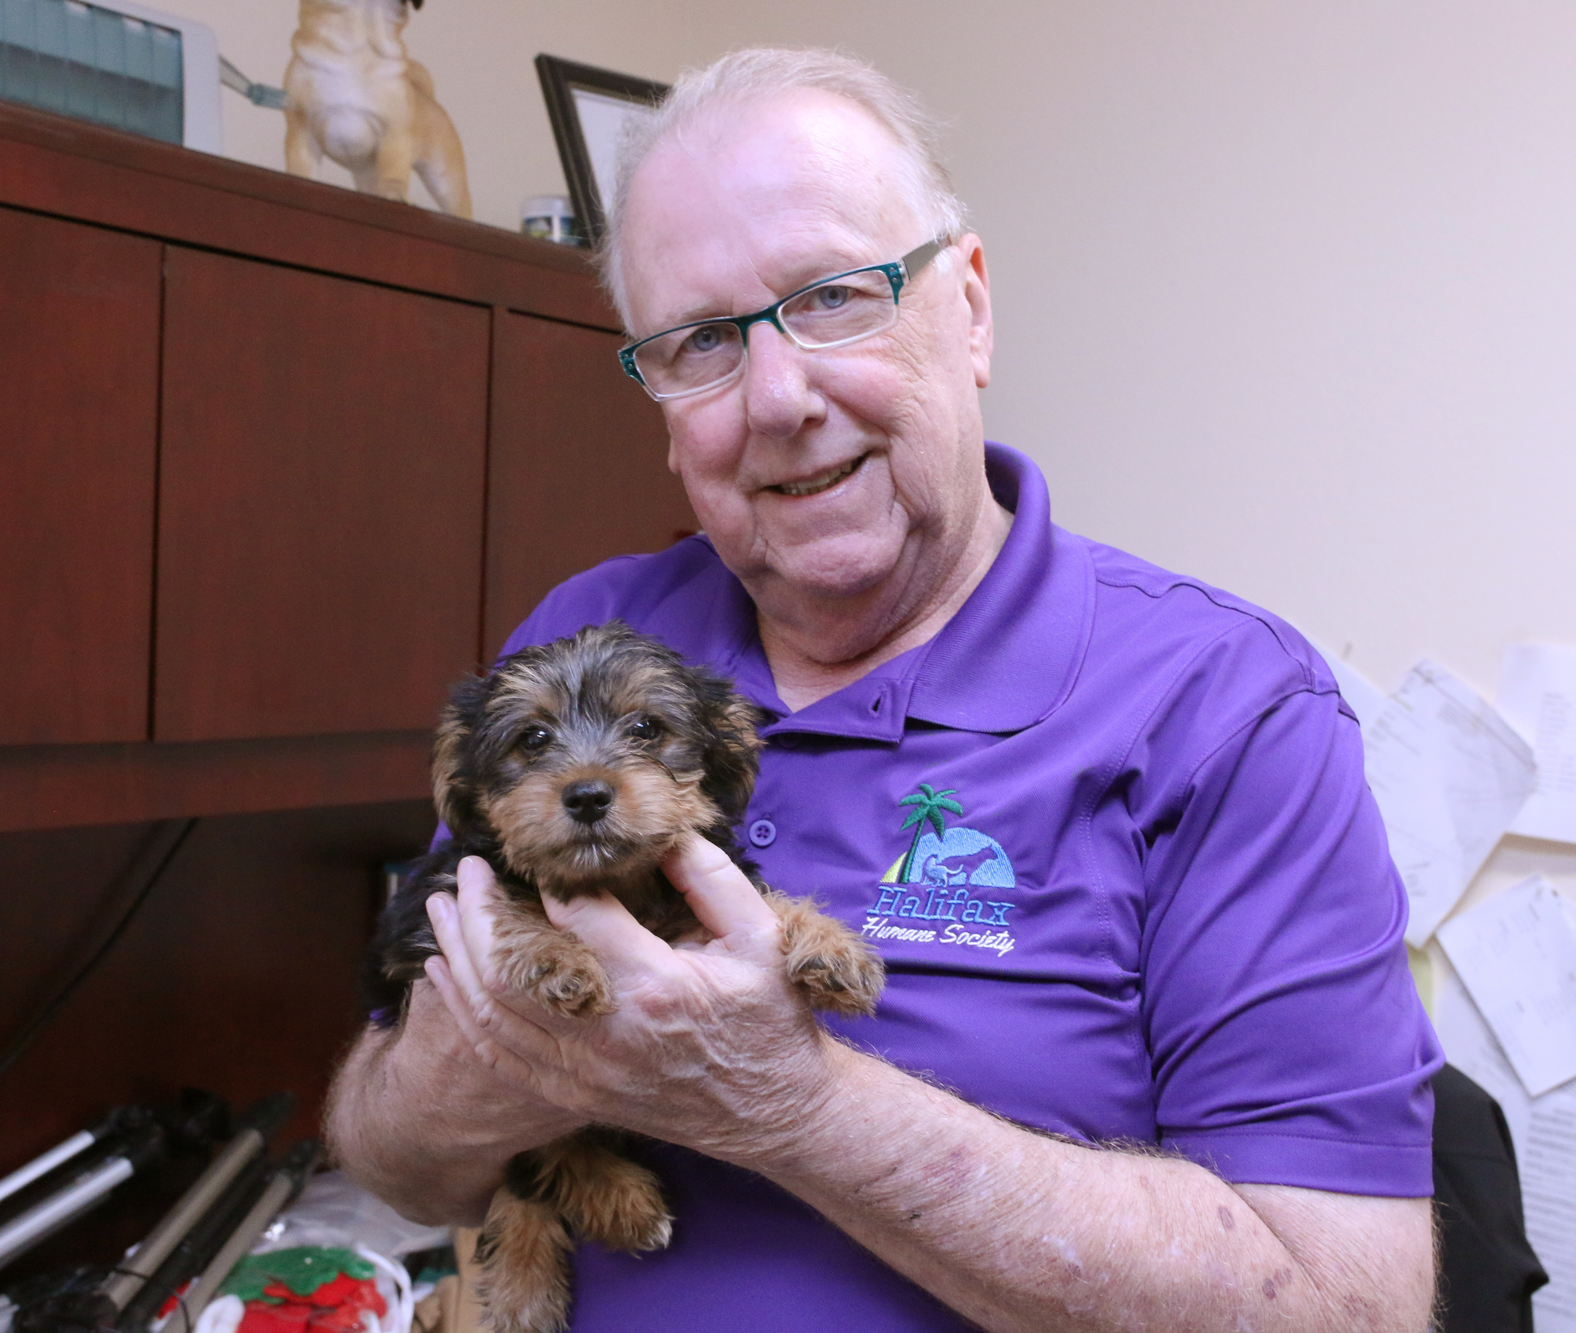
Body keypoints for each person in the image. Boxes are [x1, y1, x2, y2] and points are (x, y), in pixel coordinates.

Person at [326, 47, 1440, 1333]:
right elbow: (387, 1151)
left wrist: (791, 1103)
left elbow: (1345, 1312)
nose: (780, 397)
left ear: (966, 309)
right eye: (699, 342)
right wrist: (476, 1067)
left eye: (835, 299)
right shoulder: (582, 635)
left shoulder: (1226, 710)